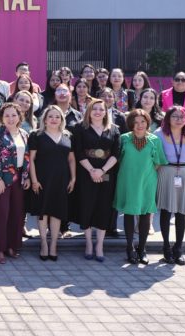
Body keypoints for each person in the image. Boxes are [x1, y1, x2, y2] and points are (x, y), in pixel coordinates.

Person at [113, 109, 168, 265]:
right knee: (129, 213)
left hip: (147, 181)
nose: (139, 125)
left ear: (147, 122)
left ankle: (142, 249)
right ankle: (129, 248)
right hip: (128, 181)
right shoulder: (124, 139)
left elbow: (159, 162)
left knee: (145, 214)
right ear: (130, 124)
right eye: (135, 122)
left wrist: (145, 174)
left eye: (143, 121)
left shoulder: (154, 140)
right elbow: (117, 159)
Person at [73, 98, 121, 260]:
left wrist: (102, 170)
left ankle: (99, 244)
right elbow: (78, 152)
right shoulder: (80, 128)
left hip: (106, 173)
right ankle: (88, 243)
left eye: (101, 109)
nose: (98, 112)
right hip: (86, 172)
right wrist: (92, 171)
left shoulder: (114, 129)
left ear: (106, 112)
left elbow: (116, 154)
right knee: (87, 206)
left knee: (103, 207)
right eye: (94, 109)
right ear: (89, 111)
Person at [27, 106, 76, 262]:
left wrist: (73, 178)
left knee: (57, 212)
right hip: (42, 179)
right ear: (45, 119)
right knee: (43, 212)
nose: (54, 119)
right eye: (51, 116)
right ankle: (43, 243)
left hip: (61, 179)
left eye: (57, 117)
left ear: (62, 120)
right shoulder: (36, 135)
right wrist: (34, 180)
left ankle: (54, 244)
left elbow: (71, 159)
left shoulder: (68, 136)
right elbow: (31, 160)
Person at [0, 102, 30, 264]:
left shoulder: (24, 134)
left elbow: (26, 157)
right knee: (2, 213)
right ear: (2, 117)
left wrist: (26, 177)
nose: (10, 118)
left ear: (19, 116)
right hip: (3, 177)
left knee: (17, 213)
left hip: (19, 177)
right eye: (7, 115)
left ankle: (12, 246)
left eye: (14, 115)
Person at [154, 106, 185, 266]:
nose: (179, 119)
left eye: (182, 117)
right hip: (166, 172)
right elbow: (156, 156)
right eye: (175, 116)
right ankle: (166, 248)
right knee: (166, 211)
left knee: (181, 213)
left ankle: (178, 249)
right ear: (168, 118)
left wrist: (182, 170)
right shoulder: (159, 134)